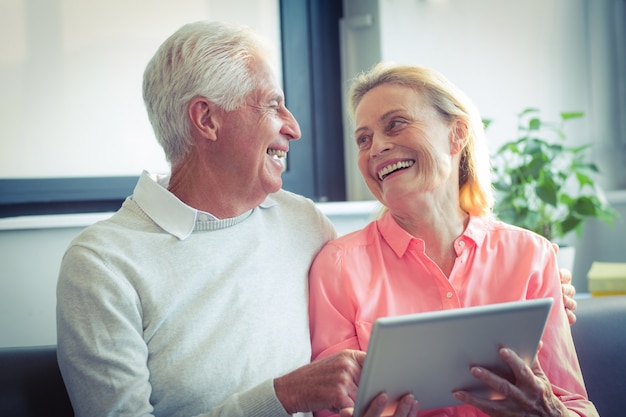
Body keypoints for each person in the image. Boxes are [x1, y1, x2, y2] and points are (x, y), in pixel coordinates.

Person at [56, 21, 578, 417]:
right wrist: (281, 396)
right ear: (207, 119)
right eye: (274, 105)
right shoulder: (102, 265)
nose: (295, 128)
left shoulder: (302, 223)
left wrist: (548, 290)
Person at [308, 63, 597, 417]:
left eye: (395, 123)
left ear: (456, 134)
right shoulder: (338, 267)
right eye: (363, 139)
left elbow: (577, 406)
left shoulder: (531, 255)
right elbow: (332, 410)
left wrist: (549, 413)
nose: (376, 148)